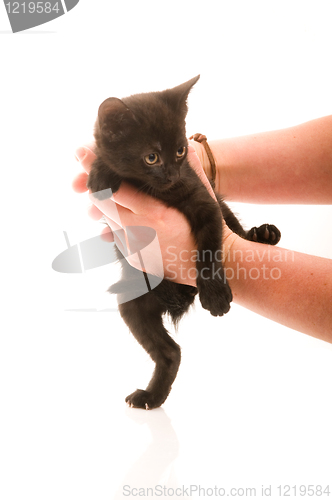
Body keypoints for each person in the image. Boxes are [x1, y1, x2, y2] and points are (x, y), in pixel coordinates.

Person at [73, 115, 332, 343]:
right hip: (147, 280)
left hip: (190, 266)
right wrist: (198, 160)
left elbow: (209, 212)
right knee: (202, 200)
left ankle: (240, 240)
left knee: (205, 206)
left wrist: (229, 258)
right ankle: (166, 361)